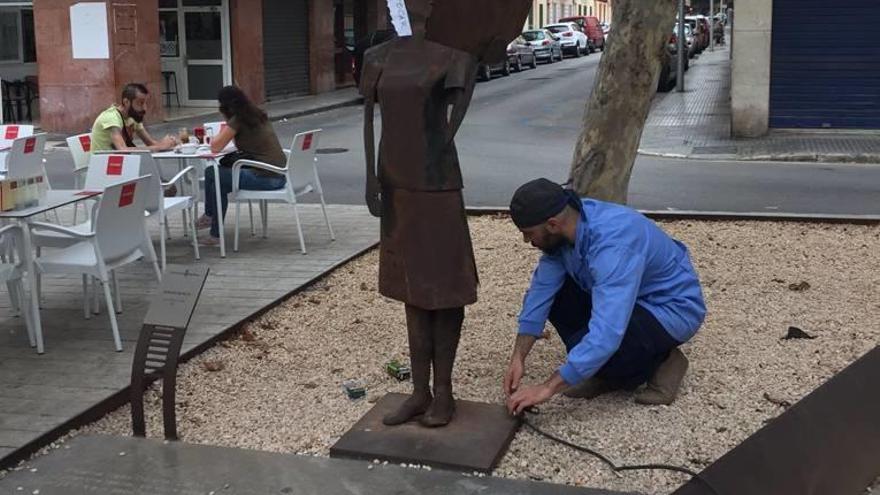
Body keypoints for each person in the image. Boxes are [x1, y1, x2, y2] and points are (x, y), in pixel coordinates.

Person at [504, 179, 707, 415]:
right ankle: (603, 370)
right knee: (558, 298)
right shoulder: (565, 230)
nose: (528, 242)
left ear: (552, 224)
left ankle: (664, 361)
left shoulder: (614, 245)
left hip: (670, 308)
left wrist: (547, 388)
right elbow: (540, 293)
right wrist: (518, 357)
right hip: (627, 299)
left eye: (529, 234)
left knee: (610, 344)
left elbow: (608, 331)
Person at [197, 85, 287, 245]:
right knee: (219, 181)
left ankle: (211, 221)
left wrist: (227, 119)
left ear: (224, 106)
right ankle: (212, 226)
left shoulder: (238, 119)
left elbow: (215, 146)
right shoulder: (256, 114)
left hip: (265, 177)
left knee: (213, 173)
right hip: (278, 174)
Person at [90, 83, 177, 152]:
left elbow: (150, 143)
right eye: (140, 103)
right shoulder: (112, 118)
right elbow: (122, 150)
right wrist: (160, 146)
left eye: (146, 103)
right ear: (126, 102)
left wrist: (168, 143)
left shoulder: (133, 116)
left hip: (122, 164)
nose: (144, 108)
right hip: (105, 166)